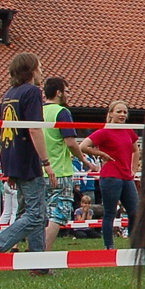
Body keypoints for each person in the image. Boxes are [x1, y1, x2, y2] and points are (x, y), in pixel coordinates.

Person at [0, 53, 53, 270]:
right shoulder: (32, 92)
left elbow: (5, 131)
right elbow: (33, 128)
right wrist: (46, 162)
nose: (42, 71)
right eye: (39, 67)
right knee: (35, 214)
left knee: (35, 212)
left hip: (12, 156)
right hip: (28, 160)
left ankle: (38, 264)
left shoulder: (9, 94)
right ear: (31, 70)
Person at [40, 77, 104, 250]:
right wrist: (84, 160)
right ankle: (41, 255)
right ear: (59, 92)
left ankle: (32, 250)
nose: (68, 95)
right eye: (67, 91)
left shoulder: (38, 112)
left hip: (40, 171)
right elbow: (70, 142)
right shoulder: (62, 112)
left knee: (39, 216)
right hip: (60, 171)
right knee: (59, 214)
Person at [86, 99, 141, 250]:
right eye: (119, 111)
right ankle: (109, 246)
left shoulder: (129, 131)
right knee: (110, 213)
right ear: (111, 114)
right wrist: (100, 153)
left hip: (126, 177)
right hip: (110, 177)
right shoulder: (104, 132)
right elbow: (83, 146)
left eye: (124, 112)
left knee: (135, 211)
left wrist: (134, 169)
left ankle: (134, 245)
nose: (122, 115)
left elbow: (136, 150)